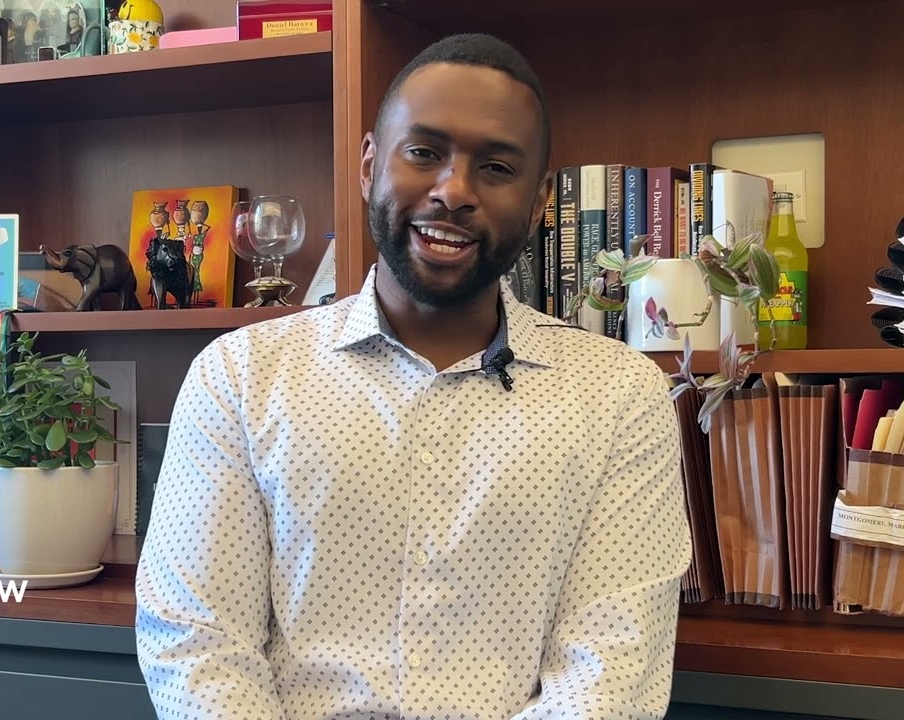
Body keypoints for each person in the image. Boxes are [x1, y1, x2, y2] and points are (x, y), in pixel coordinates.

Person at [135, 32, 692, 720]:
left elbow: (611, 673)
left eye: (496, 167)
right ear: (370, 164)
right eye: (424, 153)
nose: (453, 191)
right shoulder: (239, 376)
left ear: (540, 201)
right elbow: (197, 643)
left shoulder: (619, 396)